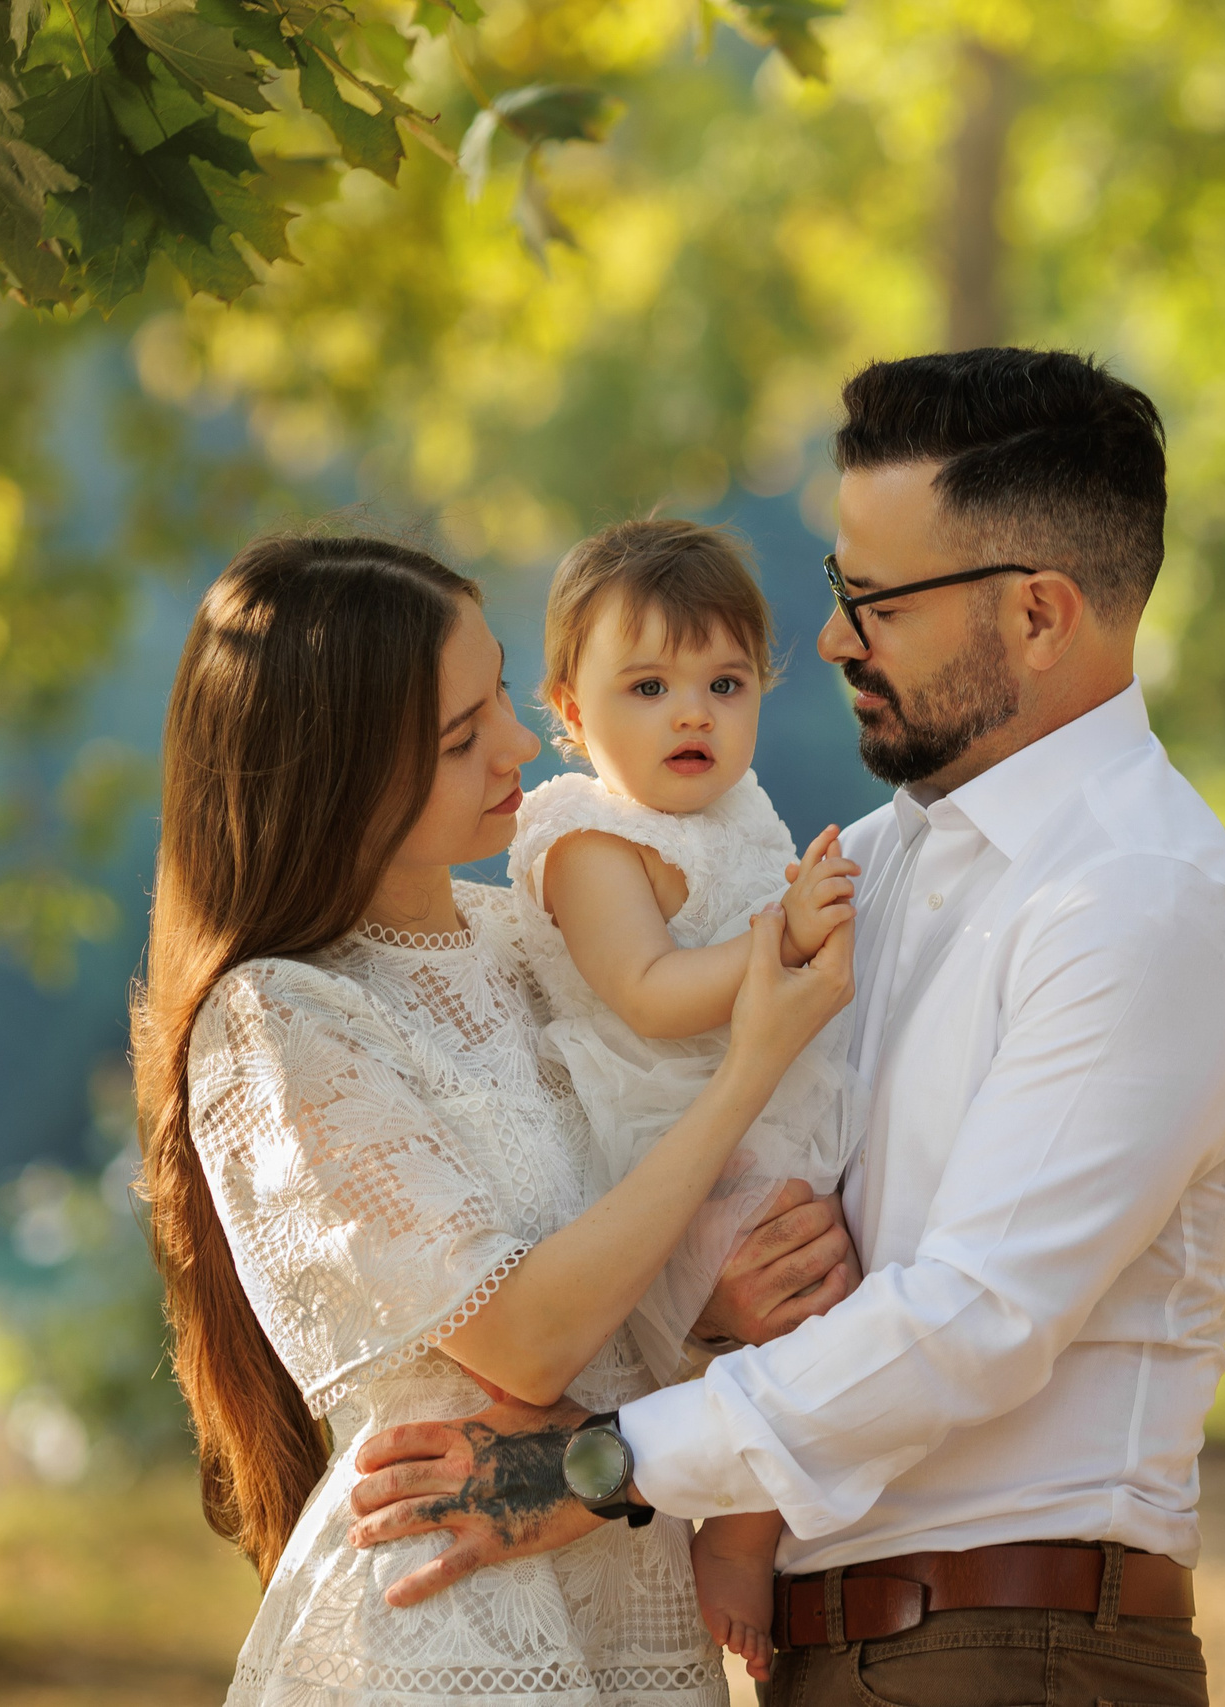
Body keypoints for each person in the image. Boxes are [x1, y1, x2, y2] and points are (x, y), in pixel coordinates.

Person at [343, 348, 1225, 1707]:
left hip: (1011, 1649)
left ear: (1039, 614)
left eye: (878, 603)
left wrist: (603, 1460)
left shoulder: (1135, 900)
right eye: (844, 592)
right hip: (836, 1648)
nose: (837, 640)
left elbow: (973, 1317)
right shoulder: (876, 866)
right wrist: (720, 1302)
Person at [130, 535, 853, 1707]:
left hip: (626, 1567)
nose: (521, 743)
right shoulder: (281, 1020)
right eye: (462, 737)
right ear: (342, 776)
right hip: (449, 1616)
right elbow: (527, 1340)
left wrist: (716, 1301)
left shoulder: (539, 935)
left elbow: (625, 1258)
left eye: (503, 696)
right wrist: (750, 1069)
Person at [507, 517, 868, 1678]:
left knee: (836, 1282)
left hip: (761, 1110)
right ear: (571, 711)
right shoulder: (585, 838)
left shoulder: (738, 813)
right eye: (648, 686)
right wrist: (781, 936)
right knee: (803, 1304)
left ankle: (748, 1515)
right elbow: (652, 991)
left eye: (724, 683)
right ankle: (740, 1538)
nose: (692, 714)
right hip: (661, 1137)